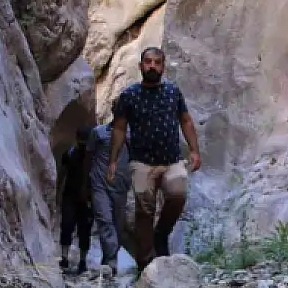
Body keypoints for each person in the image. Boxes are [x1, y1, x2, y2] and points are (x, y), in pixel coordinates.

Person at [106, 47, 201, 274]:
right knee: (144, 210)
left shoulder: (173, 92)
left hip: (172, 160)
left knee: (178, 195)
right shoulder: (129, 96)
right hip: (142, 162)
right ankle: (146, 263)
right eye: (148, 62)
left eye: (157, 62)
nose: (152, 66)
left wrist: (195, 150)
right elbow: (119, 129)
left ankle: (161, 235)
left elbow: (185, 121)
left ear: (163, 67)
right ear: (140, 66)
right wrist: (113, 160)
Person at [85, 101, 131, 274]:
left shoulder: (130, 136)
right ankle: (111, 262)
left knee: (118, 225)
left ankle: (109, 258)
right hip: (99, 184)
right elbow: (88, 158)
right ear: (113, 110)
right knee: (105, 220)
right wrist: (85, 184)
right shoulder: (98, 133)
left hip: (121, 186)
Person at [58, 126, 93, 274]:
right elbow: (62, 173)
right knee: (67, 225)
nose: (83, 143)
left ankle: (82, 261)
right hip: (70, 196)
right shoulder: (70, 154)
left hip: (85, 198)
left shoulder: (93, 156)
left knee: (84, 229)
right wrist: (58, 191)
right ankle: (65, 258)